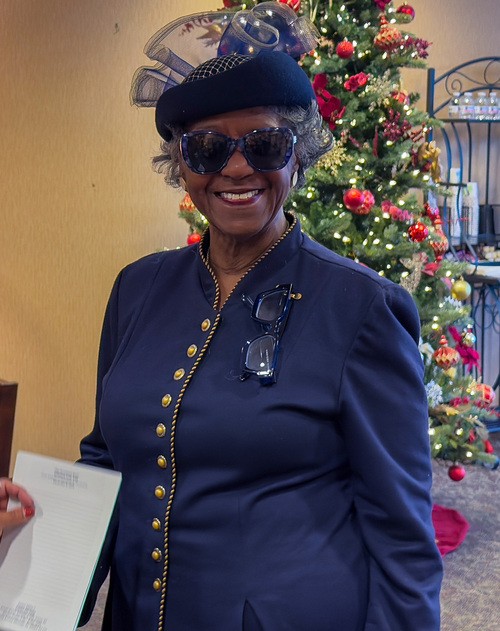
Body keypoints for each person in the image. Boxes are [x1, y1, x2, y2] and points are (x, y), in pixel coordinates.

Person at [78, 3, 443, 629]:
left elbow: (402, 535)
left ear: (298, 156)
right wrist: (39, 530)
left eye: (265, 144)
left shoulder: (362, 307)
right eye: (207, 148)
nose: (237, 167)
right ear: (181, 166)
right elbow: (107, 458)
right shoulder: (137, 288)